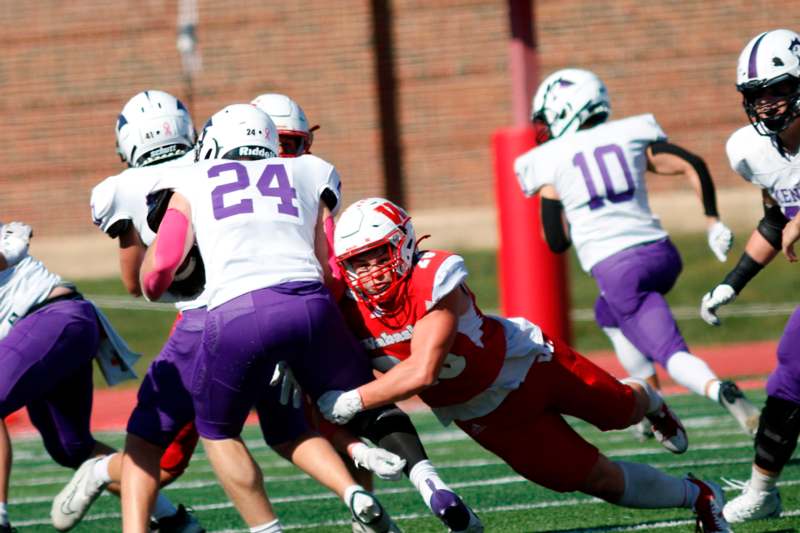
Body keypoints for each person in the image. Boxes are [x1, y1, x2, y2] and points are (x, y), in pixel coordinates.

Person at [318, 197, 734, 533]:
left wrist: (350, 401)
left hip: (529, 366)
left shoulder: (432, 276)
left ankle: (651, 401)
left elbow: (423, 371)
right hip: (482, 413)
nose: (370, 271)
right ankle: (699, 495)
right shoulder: (347, 311)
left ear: (404, 243)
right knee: (592, 480)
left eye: (378, 255)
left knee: (620, 410)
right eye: (357, 262)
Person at [513, 68, 760, 437]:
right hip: (661, 254)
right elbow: (692, 163)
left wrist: (557, 201)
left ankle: (717, 389)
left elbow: (556, 240)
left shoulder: (550, 159)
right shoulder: (630, 132)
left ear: (566, 111)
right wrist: (712, 221)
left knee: (671, 352)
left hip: (617, 269)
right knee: (607, 314)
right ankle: (652, 406)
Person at [701, 28, 800, 523]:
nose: (765, 104)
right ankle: (763, 491)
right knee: (789, 372)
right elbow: (775, 220)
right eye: (755, 95)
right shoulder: (753, 151)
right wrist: (731, 282)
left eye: (776, 90)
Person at [0, 221, 139, 533]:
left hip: (49, 319)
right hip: (53, 332)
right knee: (71, 448)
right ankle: (170, 516)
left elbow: (5, 255)